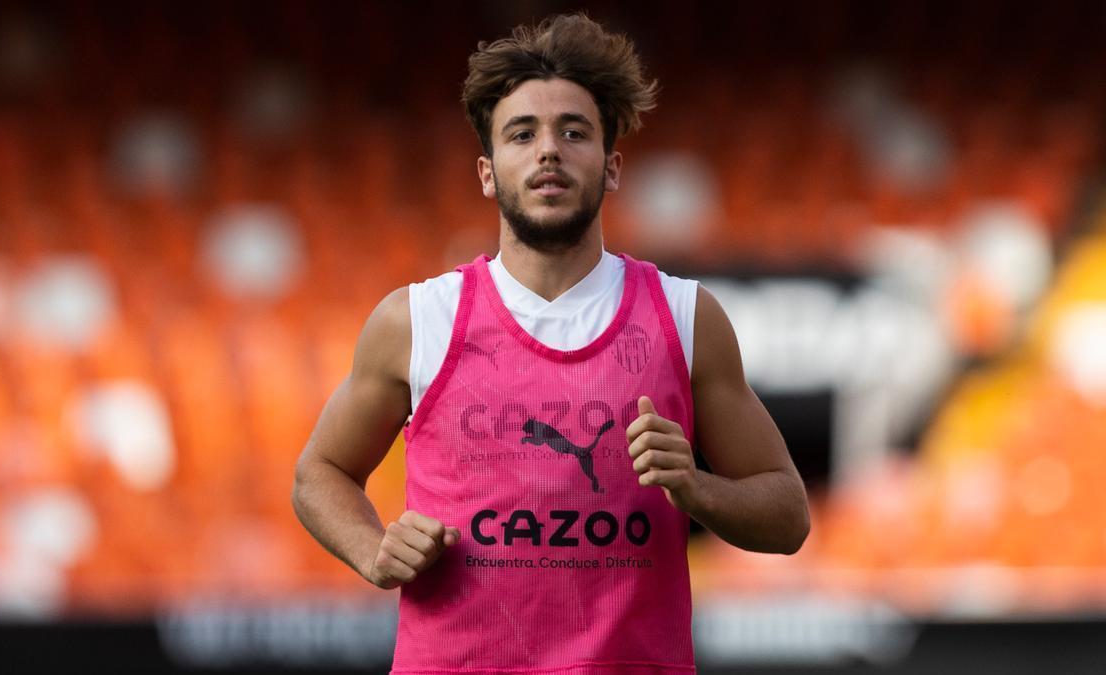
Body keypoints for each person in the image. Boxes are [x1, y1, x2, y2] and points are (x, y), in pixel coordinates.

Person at [292, 13, 810, 673]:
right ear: (487, 172)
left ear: (611, 165)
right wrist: (374, 551)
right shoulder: (416, 321)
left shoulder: (686, 317)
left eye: (574, 131)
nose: (548, 151)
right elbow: (319, 473)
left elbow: (788, 513)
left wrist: (697, 488)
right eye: (522, 133)